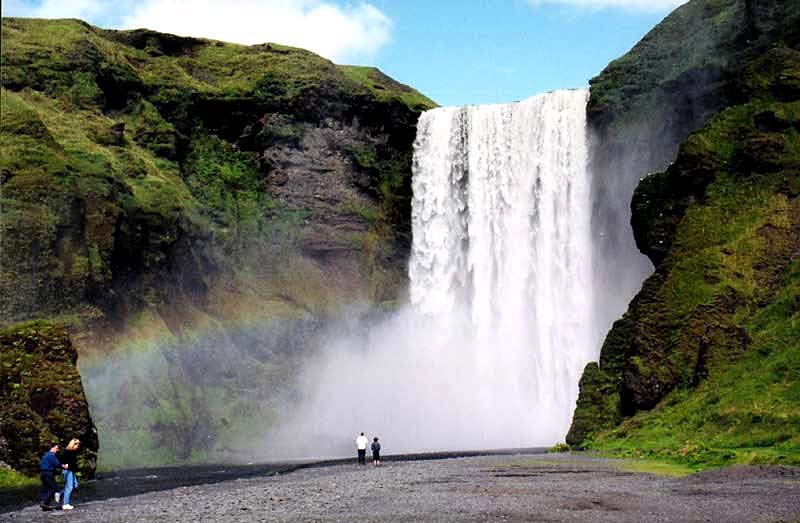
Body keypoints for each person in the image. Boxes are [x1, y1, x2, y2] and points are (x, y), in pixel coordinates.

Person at [56, 438, 81, 510]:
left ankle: (59, 494)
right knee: (69, 487)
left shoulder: (73, 452)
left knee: (75, 485)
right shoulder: (66, 451)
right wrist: (63, 465)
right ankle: (65, 504)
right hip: (68, 471)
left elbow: (72, 462)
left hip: (72, 471)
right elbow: (59, 459)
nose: (78, 447)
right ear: (73, 444)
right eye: (77, 445)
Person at [39, 443, 63, 511]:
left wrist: (56, 472)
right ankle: (44, 502)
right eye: (56, 448)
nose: (57, 450)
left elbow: (47, 465)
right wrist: (63, 466)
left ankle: (45, 506)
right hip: (48, 473)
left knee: (46, 488)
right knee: (52, 488)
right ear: (52, 448)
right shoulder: (51, 455)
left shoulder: (45, 455)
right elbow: (57, 464)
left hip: (43, 473)